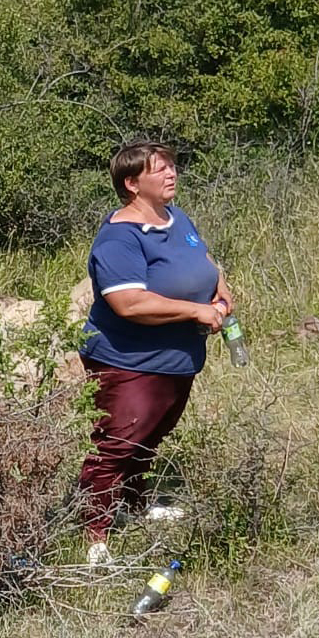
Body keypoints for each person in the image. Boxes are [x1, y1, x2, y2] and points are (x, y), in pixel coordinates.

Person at [78, 141, 233, 565]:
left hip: (177, 358)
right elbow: (130, 303)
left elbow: (201, 257)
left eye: (172, 167)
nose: (171, 174)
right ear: (132, 184)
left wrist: (219, 287)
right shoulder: (118, 238)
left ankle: (134, 501)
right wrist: (196, 310)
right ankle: (95, 531)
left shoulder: (175, 217)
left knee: (150, 435)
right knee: (118, 442)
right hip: (128, 361)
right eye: (159, 169)